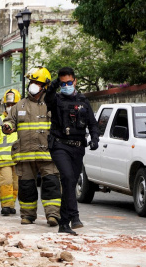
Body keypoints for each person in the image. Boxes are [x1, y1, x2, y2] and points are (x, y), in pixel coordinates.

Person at [1, 66, 62, 227]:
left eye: (36, 82)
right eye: (31, 82)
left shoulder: (53, 104)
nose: (32, 85)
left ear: (45, 86)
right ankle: (27, 216)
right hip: (25, 154)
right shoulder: (19, 106)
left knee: (51, 185)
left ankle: (53, 215)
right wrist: (7, 126)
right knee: (26, 187)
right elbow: (9, 121)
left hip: (47, 154)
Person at [45, 67, 100, 235]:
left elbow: (92, 123)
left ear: (75, 81)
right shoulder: (56, 99)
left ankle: (69, 220)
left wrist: (95, 138)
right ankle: (69, 219)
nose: (67, 86)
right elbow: (47, 98)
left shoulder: (83, 101)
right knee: (67, 178)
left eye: (69, 82)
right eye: (63, 83)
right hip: (60, 146)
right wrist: (54, 85)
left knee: (71, 182)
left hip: (78, 147)